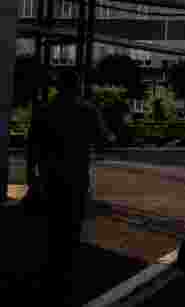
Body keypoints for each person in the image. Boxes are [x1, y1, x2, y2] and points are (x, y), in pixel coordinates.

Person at [28, 68, 115, 305]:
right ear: (77, 86)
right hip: (75, 176)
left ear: (58, 86)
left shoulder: (44, 110)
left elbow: (32, 146)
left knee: (52, 223)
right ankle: (66, 273)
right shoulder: (87, 110)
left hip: (49, 176)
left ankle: (50, 268)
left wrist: (31, 177)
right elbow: (103, 140)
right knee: (72, 222)